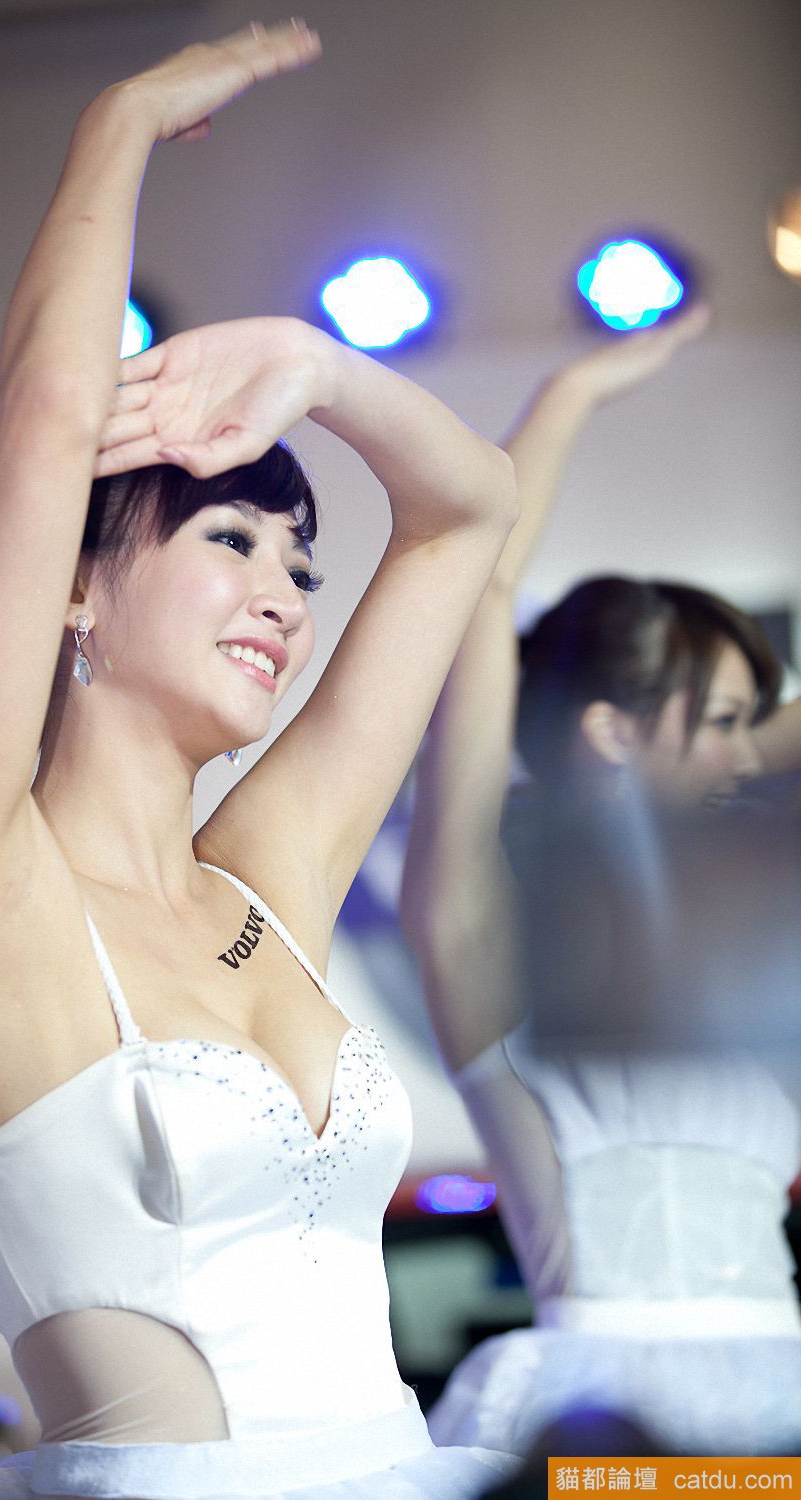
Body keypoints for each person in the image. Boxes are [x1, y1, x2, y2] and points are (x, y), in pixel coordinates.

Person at [0, 22, 520, 1500]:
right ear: (73, 593)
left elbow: (467, 512)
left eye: (301, 562)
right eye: (231, 538)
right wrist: (123, 121)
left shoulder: (266, 884)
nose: (287, 595)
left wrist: (320, 367)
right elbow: (51, 419)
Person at [401, 308, 801, 1457]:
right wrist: (570, 393)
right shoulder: (487, 930)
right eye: (722, 722)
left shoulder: (734, 946)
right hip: (597, 1430)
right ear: (610, 731)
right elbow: (478, 594)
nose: (745, 757)